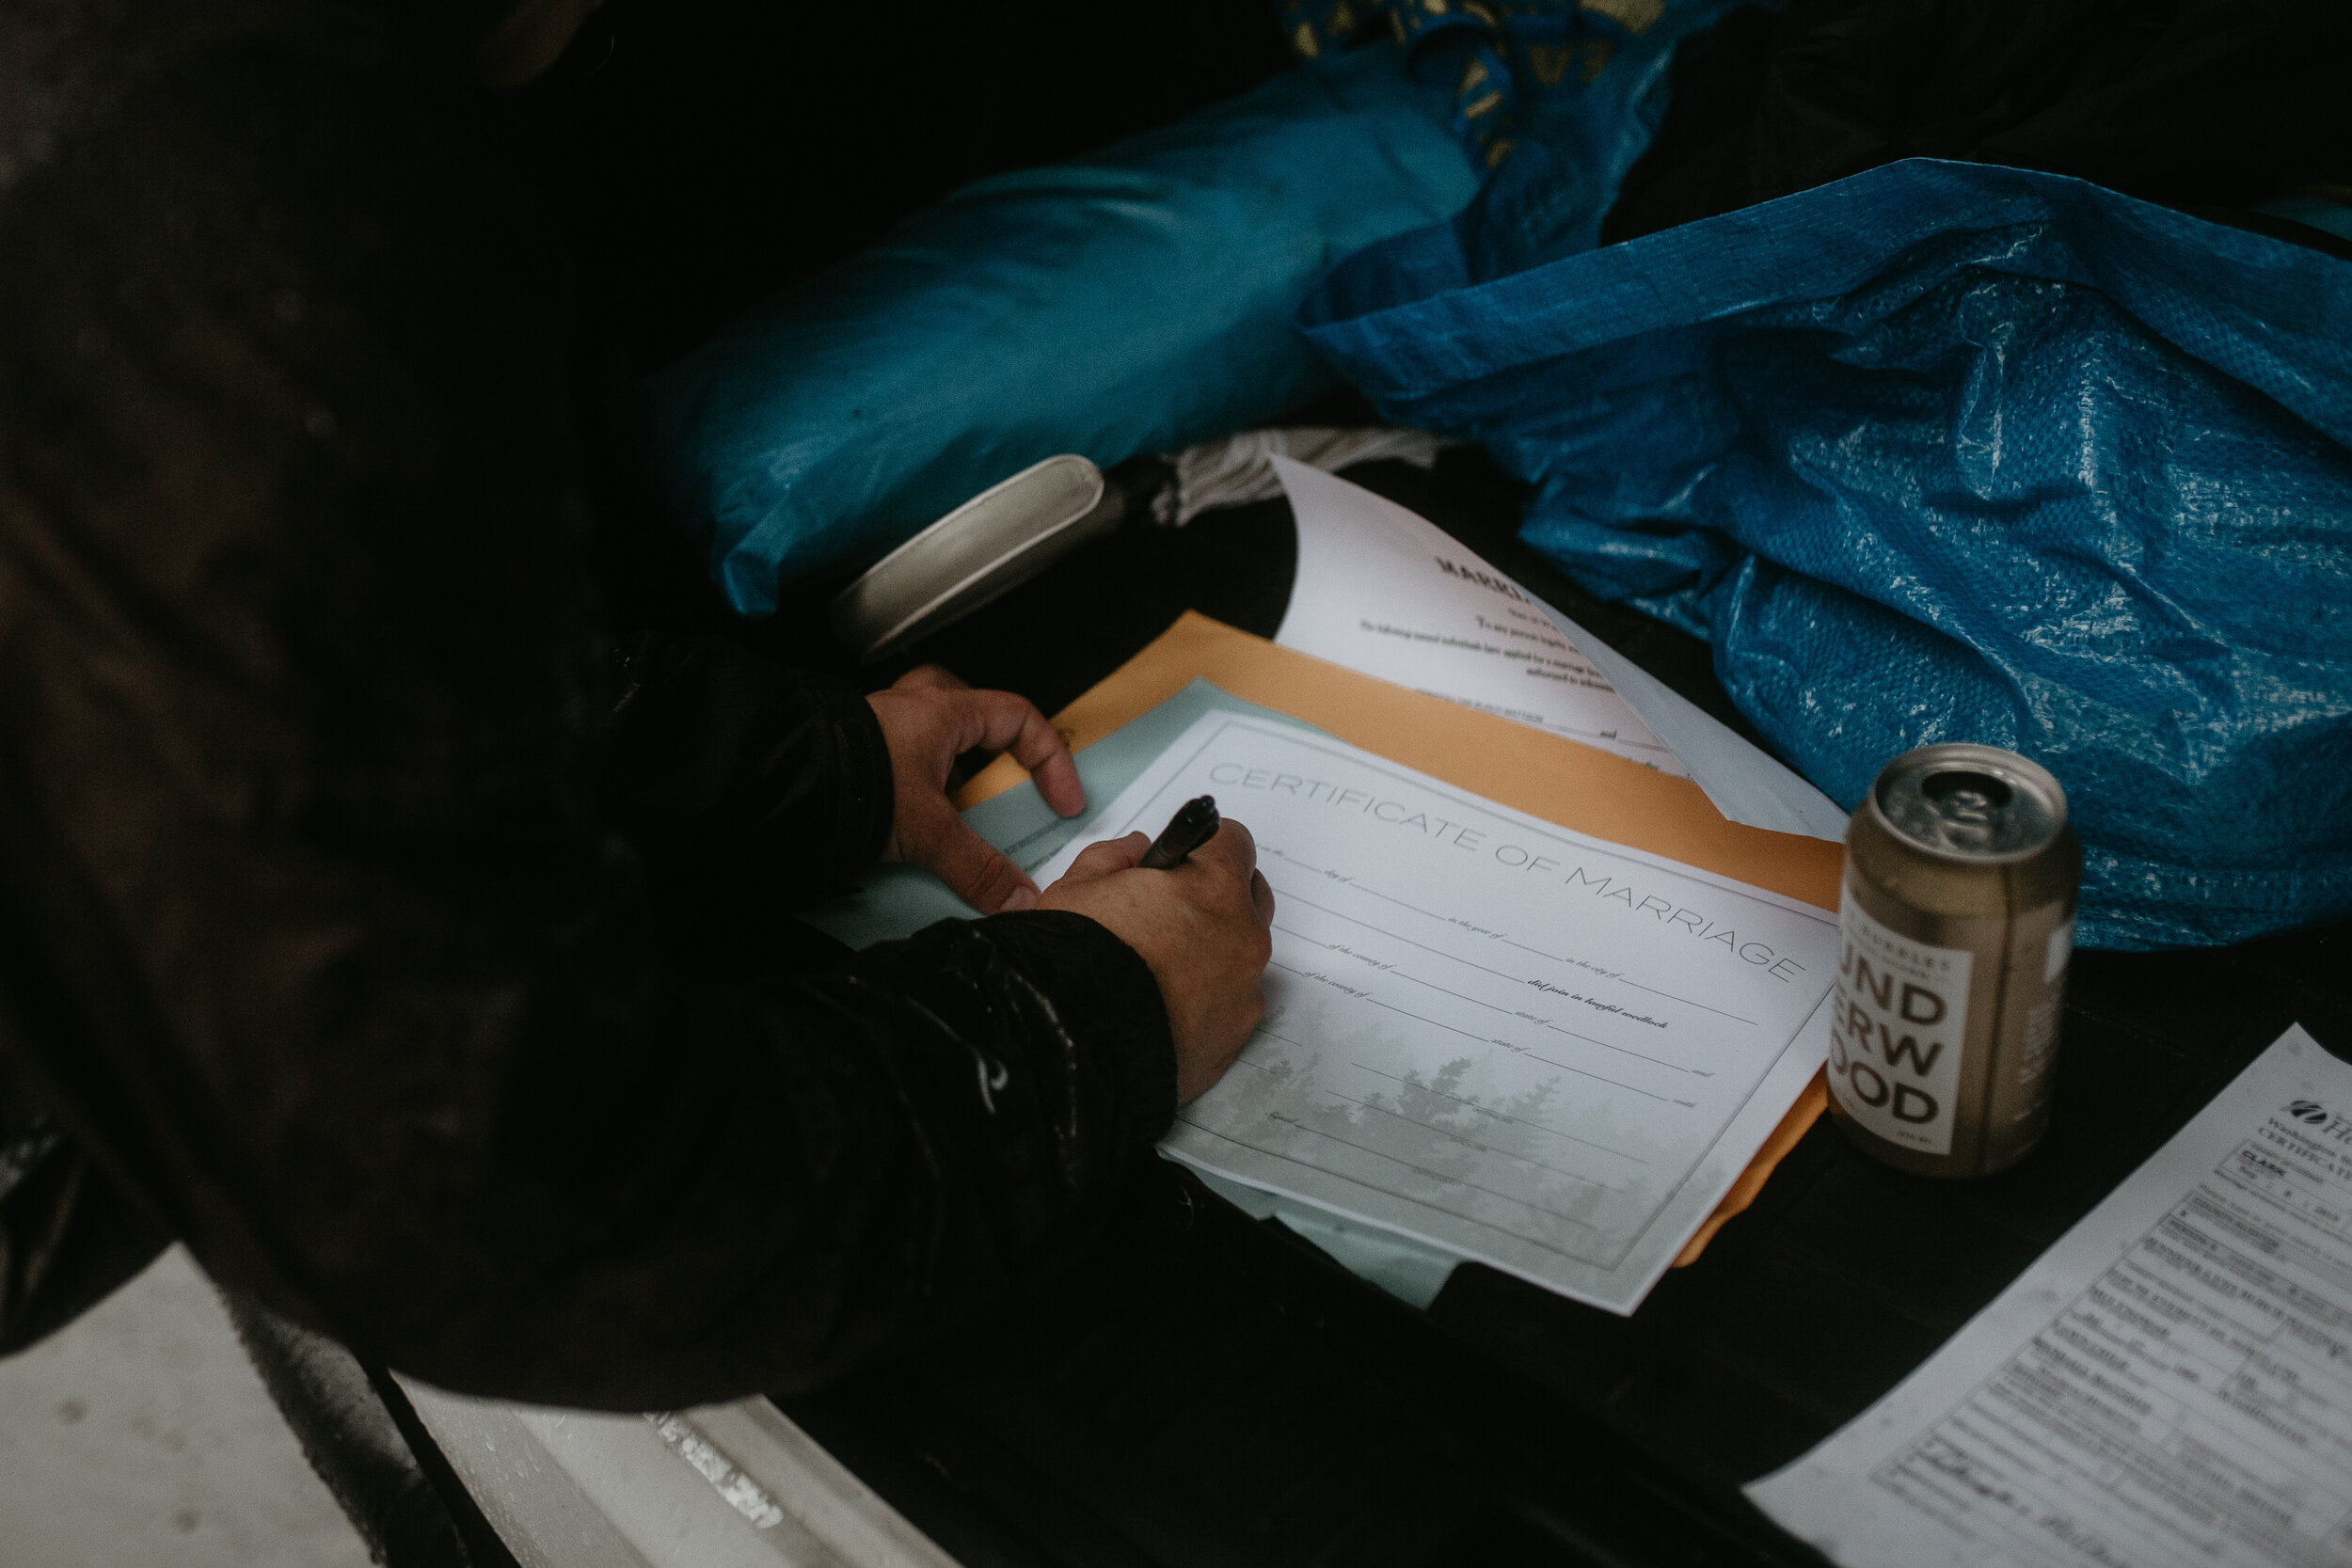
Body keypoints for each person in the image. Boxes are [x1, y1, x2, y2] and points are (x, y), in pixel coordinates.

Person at [0, 0, 1282, 1409]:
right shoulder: (228, 196)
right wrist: (1088, 1015)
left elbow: (272, 669)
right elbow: (504, 1196)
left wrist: (802, 763)